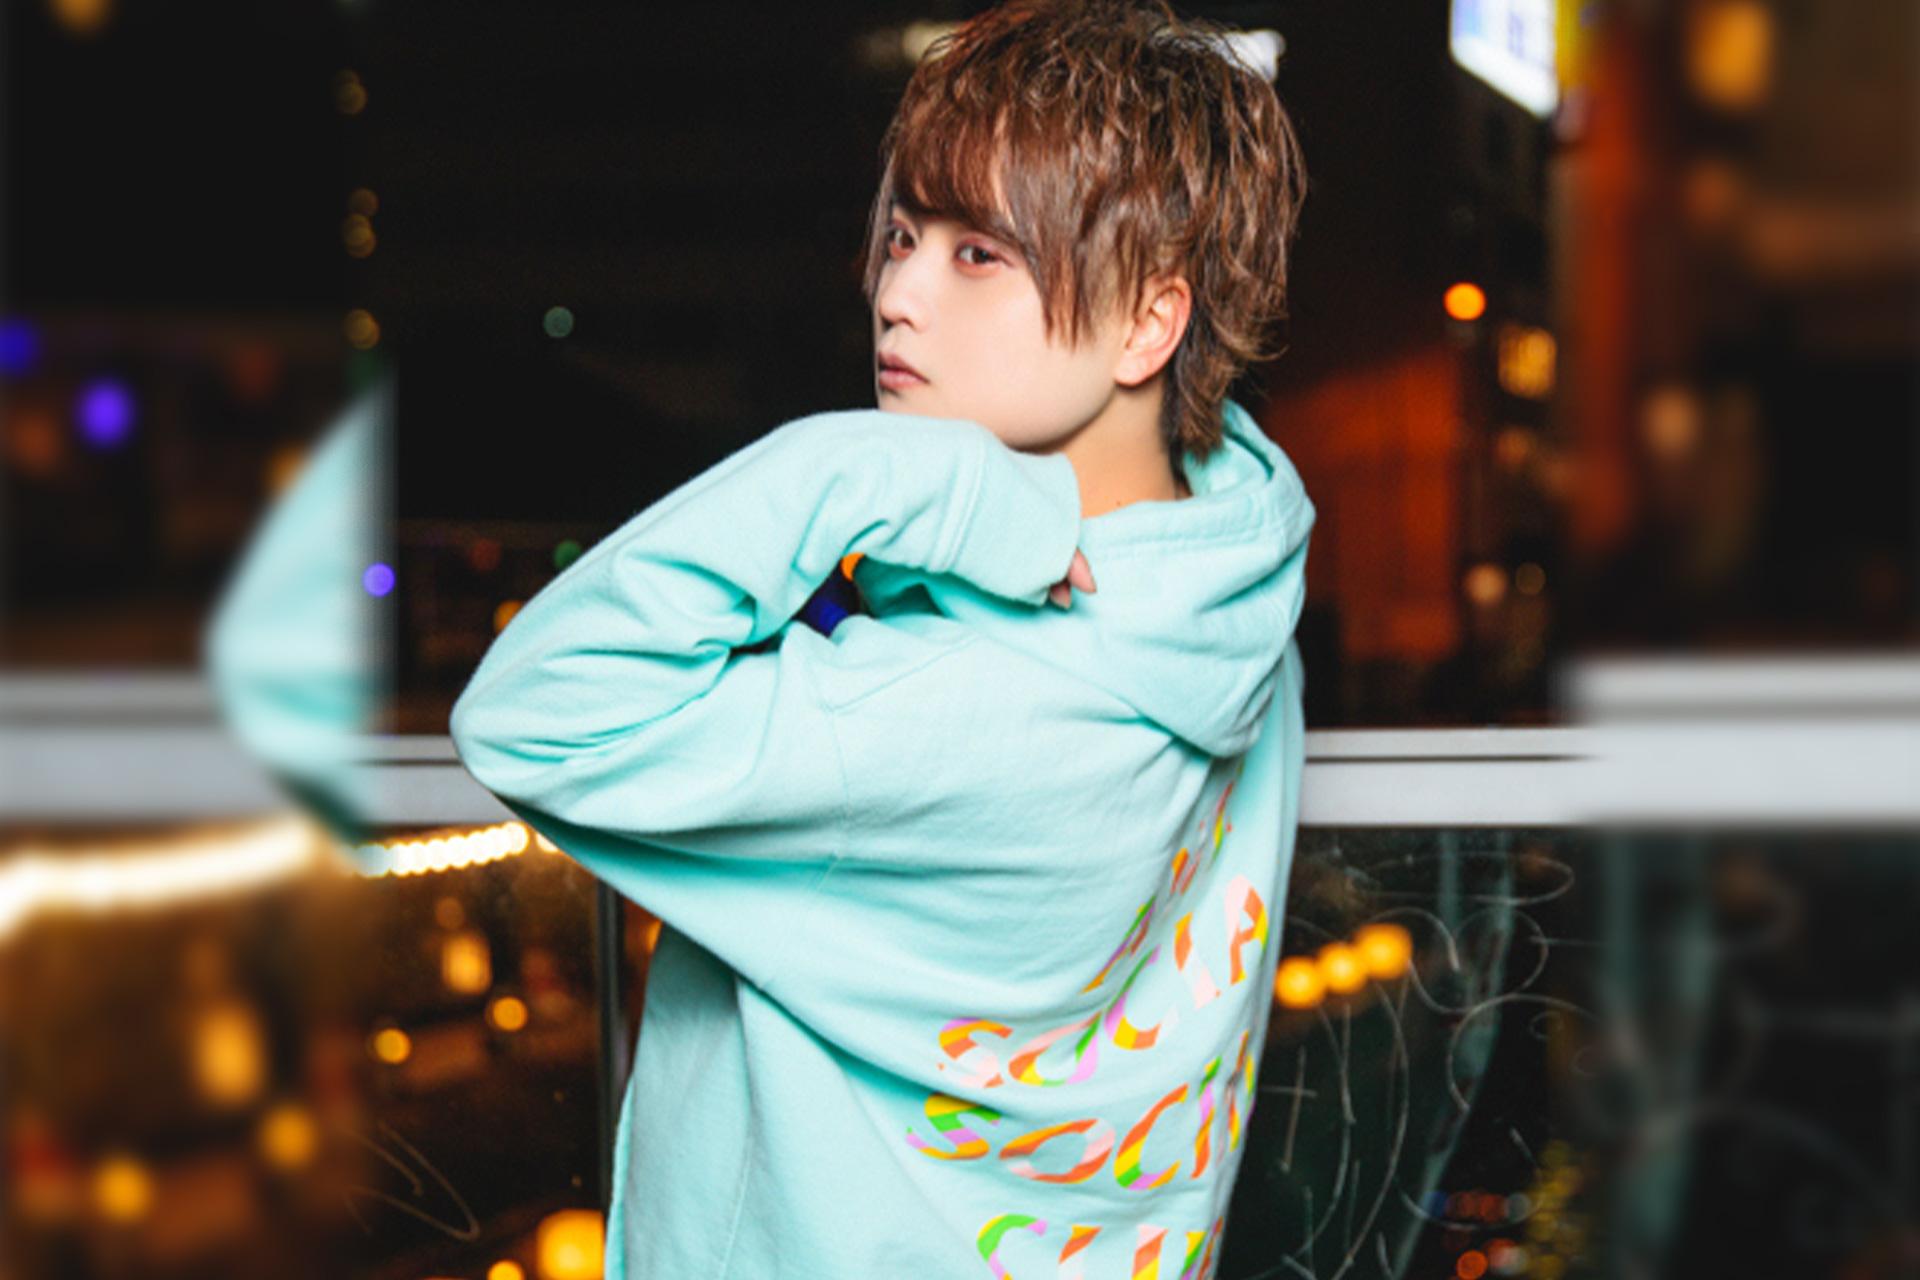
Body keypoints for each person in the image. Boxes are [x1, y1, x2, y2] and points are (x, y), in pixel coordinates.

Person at [448, 1, 1314, 1275]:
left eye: (980, 254)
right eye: (904, 235)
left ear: (1148, 323)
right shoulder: (1231, 597)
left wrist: (865, 471)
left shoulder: (928, 707)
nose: (894, 291)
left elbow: (530, 714)